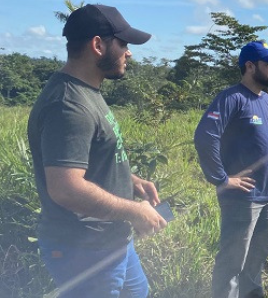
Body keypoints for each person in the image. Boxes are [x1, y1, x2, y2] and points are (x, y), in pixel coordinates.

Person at [26, 4, 166, 297]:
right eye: (124, 43)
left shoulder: (87, 91)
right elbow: (65, 188)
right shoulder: (68, 105)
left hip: (111, 241)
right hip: (84, 250)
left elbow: (90, 161)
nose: (128, 52)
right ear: (98, 45)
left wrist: (130, 180)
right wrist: (133, 211)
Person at [193, 41, 268, 298]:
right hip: (242, 199)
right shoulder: (231, 98)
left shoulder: (266, 99)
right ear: (250, 66)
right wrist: (221, 179)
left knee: (257, 259)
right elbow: (205, 136)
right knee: (232, 262)